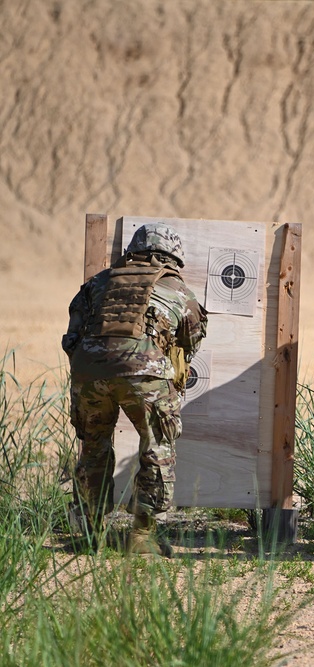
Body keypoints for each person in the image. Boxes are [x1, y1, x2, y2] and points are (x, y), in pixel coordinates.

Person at [63, 222, 208, 557]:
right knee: (157, 447)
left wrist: (96, 366)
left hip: (89, 373)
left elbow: (71, 338)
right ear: (171, 256)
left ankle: (90, 535)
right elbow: (191, 339)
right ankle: (142, 538)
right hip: (145, 375)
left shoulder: (98, 282)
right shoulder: (175, 287)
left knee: (93, 447)